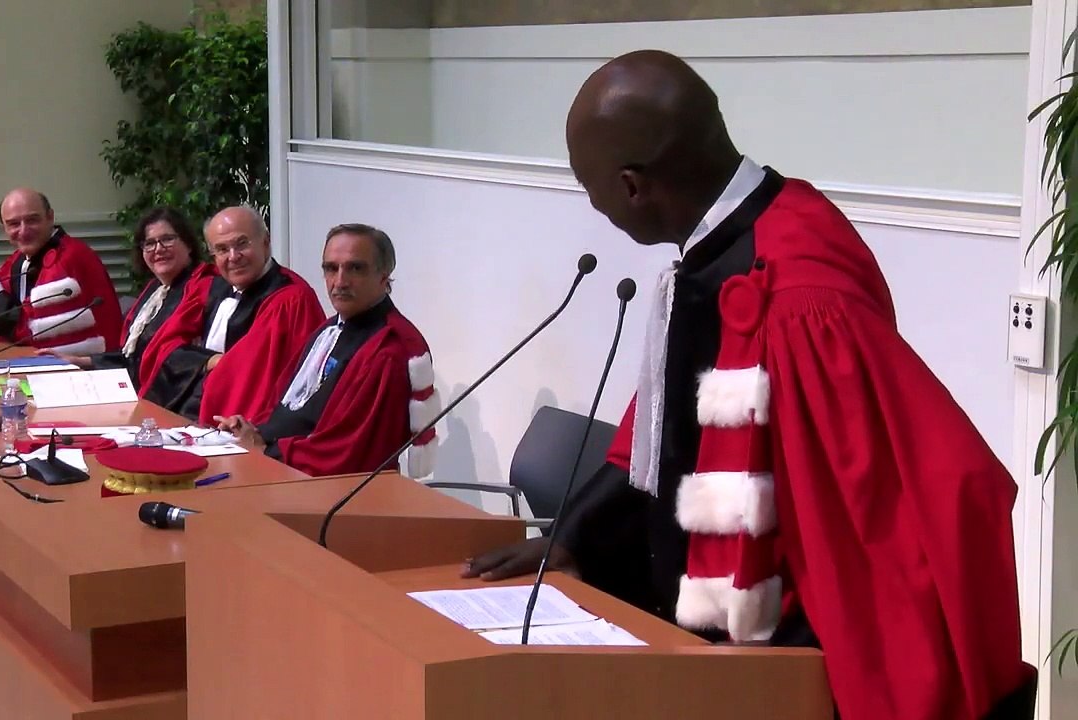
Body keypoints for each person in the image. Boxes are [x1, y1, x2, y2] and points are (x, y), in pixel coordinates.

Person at [462, 51, 1034, 719]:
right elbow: (667, 427)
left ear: (633, 186)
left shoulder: (797, 298)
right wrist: (573, 537)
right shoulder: (734, 243)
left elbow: (873, 515)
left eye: (595, 195)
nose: (601, 212)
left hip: (771, 667)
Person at [215, 223, 439, 478]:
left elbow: (348, 453)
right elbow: (288, 407)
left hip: (321, 492)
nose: (340, 281)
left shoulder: (388, 349)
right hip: (279, 465)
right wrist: (250, 430)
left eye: (355, 268)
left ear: (383, 275)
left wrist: (265, 449)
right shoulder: (331, 329)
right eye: (331, 269)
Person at [40, 206, 217, 411]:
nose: (158, 249)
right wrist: (79, 360)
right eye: (149, 243)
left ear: (188, 244)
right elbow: (134, 358)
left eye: (167, 239)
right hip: (137, 399)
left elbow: (184, 359)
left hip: (178, 407)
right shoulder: (155, 290)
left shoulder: (205, 287)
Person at [182, 206, 327, 422]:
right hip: (197, 411)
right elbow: (167, 348)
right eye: (222, 249)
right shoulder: (214, 289)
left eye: (242, 243)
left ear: (266, 242)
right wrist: (208, 361)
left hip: (244, 428)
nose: (233, 256)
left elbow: (265, 387)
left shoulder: (291, 300)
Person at [0, 188, 122, 355]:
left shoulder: (69, 258)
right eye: (13, 224)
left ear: (50, 217)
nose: (24, 230)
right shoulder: (19, 260)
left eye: (32, 220)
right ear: (3, 228)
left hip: (88, 372)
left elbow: (24, 330)